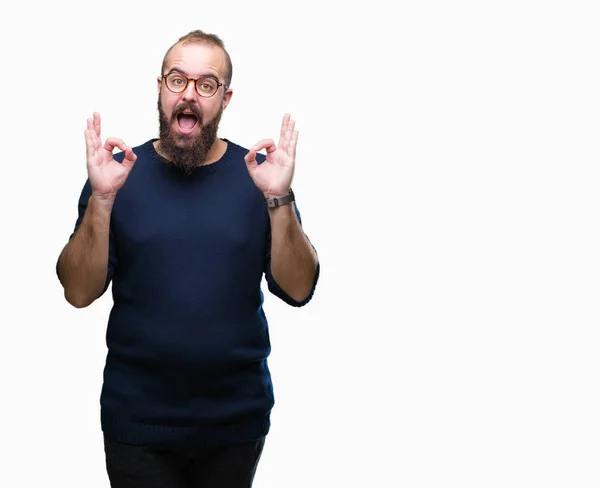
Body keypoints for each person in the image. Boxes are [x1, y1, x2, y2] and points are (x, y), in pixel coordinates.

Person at [56, 29, 320, 488]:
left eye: (207, 84)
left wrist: (279, 200)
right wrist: (100, 199)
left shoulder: (259, 179)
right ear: (159, 88)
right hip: (137, 424)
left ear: (226, 98)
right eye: (177, 80)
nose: (190, 95)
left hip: (234, 424)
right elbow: (78, 292)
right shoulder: (117, 177)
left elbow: (298, 289)